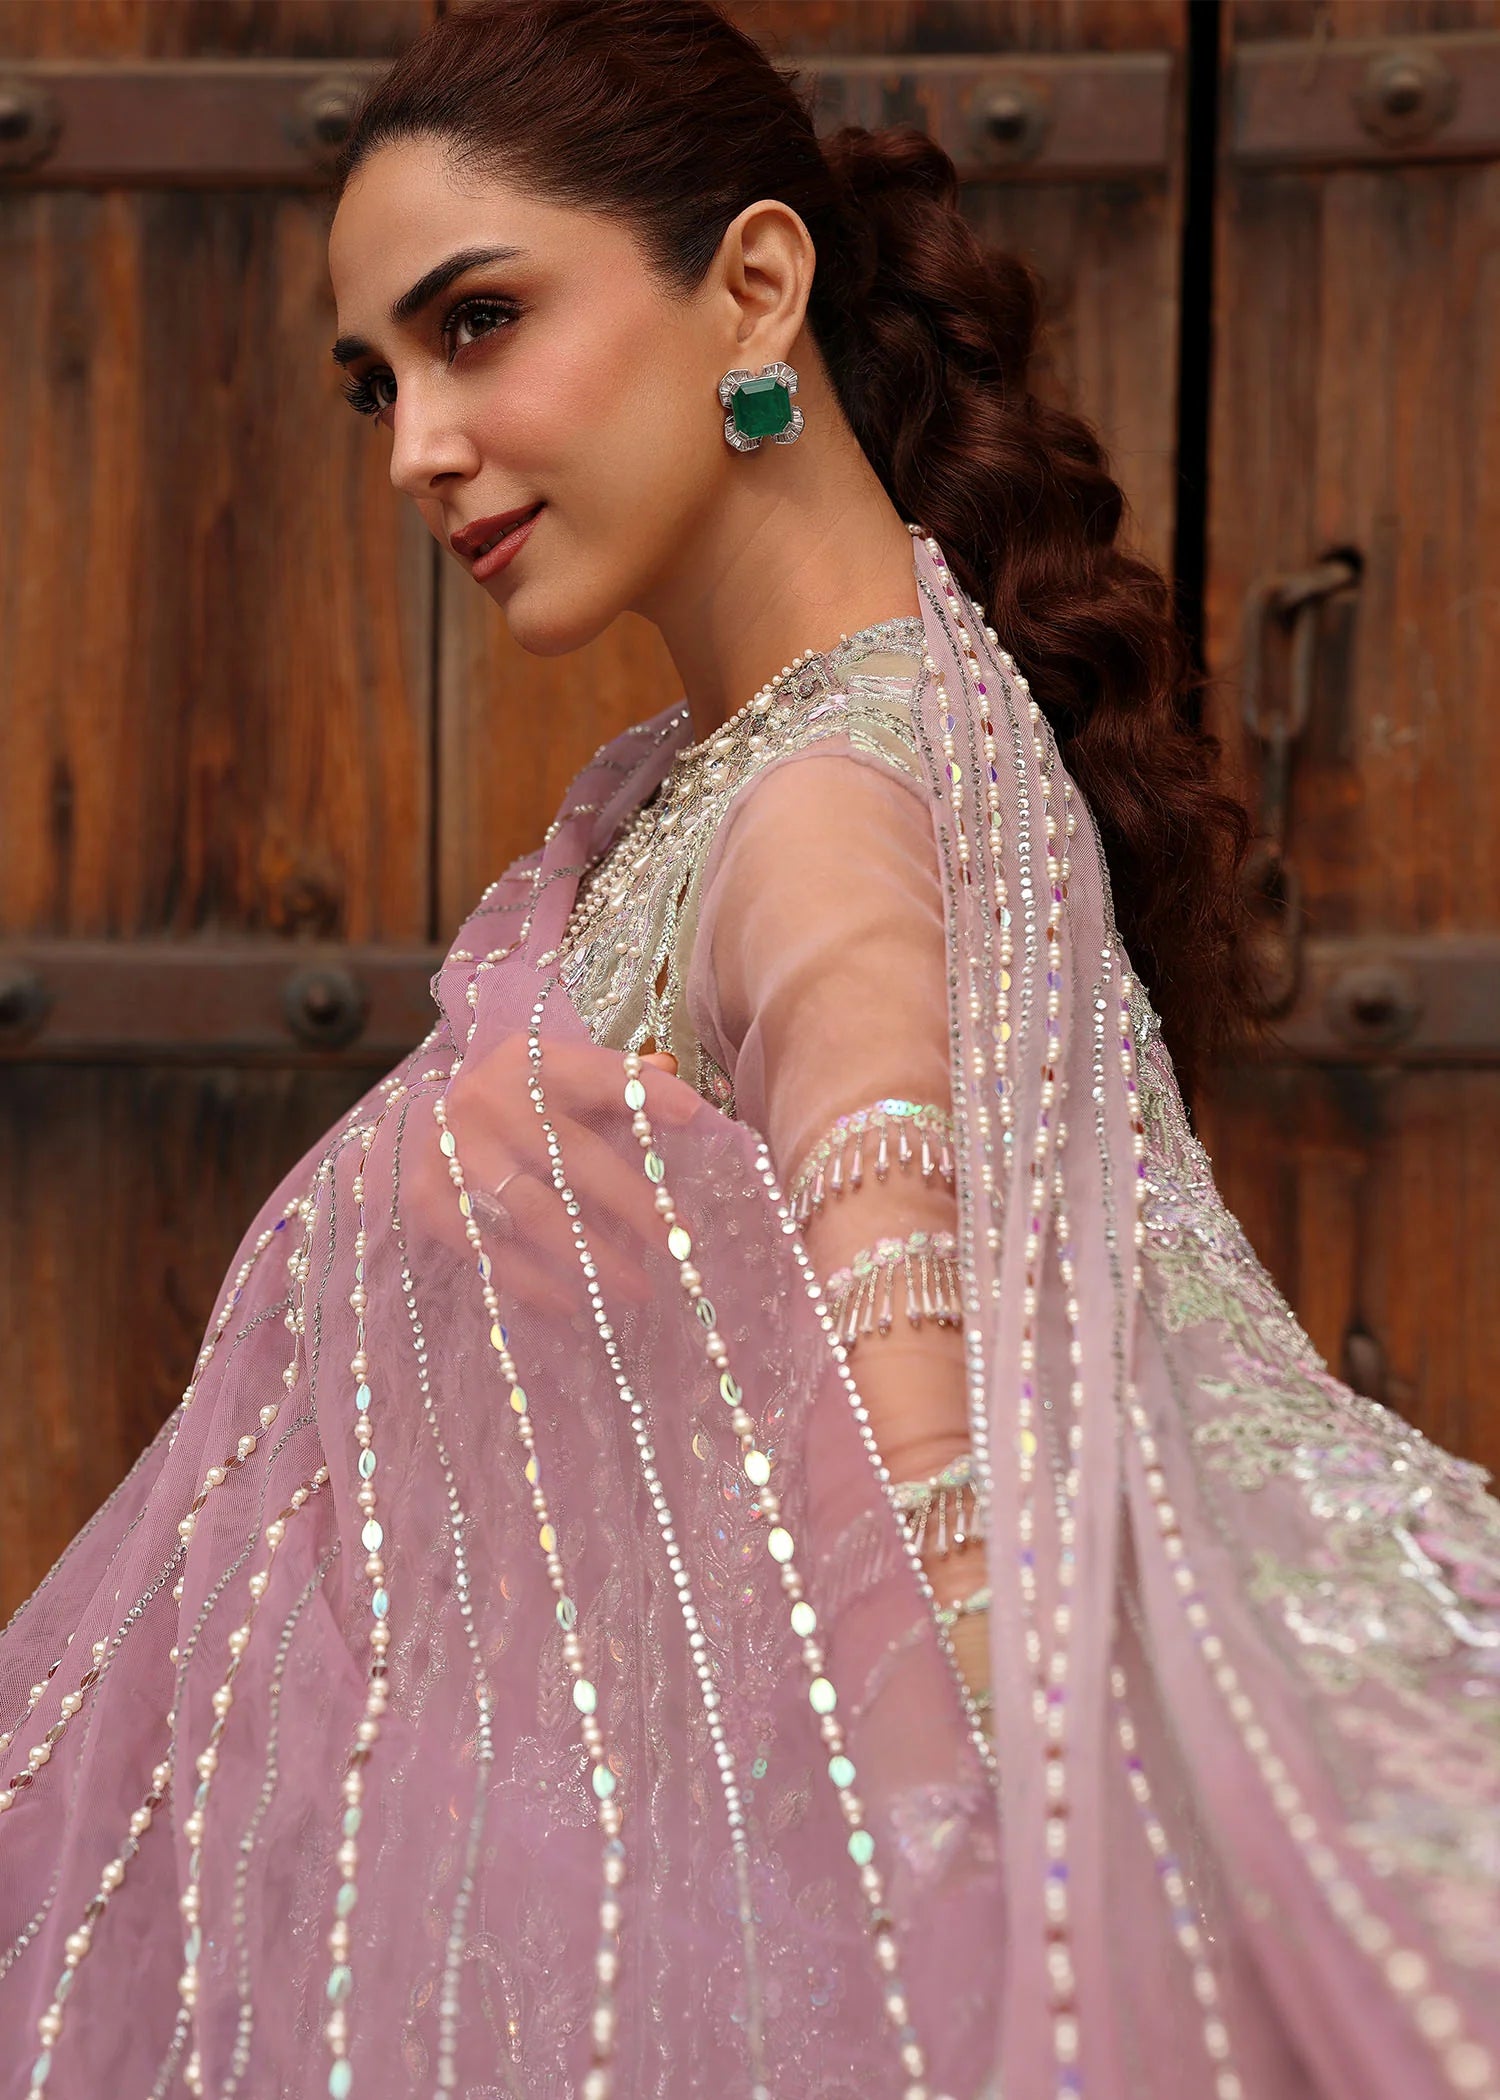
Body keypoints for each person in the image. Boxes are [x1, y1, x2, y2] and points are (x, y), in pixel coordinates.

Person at [3, 4, 1497, 2096]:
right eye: (377, 381)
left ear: (757, 285)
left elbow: (942, 1559)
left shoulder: (817, 813)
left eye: (479, 323)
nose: (417, 444)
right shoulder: (763, 765)